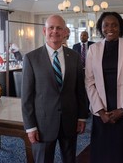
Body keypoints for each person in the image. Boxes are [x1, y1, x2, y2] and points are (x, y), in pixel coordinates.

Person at [21, 14, 88, 163]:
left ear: (65, 32)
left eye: (59, 28)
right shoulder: (31, 58)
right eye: (51, 27)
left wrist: (82, 117)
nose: (55, 31)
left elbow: (80, 91)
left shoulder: (75, 57)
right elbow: (26, 97)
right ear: (44, 31)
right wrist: (30, 127)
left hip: (69, 122)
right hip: (42, 125)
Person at [85, 12, 123, 163]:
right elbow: (89, 81)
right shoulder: (93, 49)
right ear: (100, 28)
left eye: (114, 25)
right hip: (102, 112)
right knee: (104, 154)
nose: (110, 28)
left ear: (120, 27)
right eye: (106, 25)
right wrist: (100, 111)